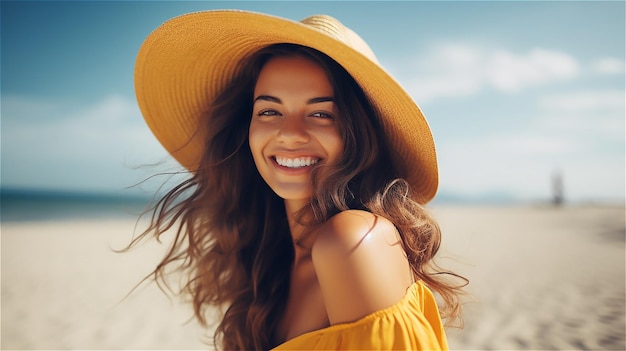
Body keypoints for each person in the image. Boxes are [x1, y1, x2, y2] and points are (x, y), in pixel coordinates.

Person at [133, 10, 466, 350]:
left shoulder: (351, 243)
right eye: (269, 111)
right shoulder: (272, 261)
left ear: (359, 133)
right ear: (245, 128)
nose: (290, 134)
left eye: (321, 114)